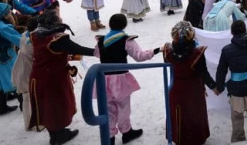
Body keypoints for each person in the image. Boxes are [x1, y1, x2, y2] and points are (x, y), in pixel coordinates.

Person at [29, 10, 95, 144]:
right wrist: (97, 51)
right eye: (58, 17)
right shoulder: (56, 39)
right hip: (53, 78)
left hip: (39, 76)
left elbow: (48, 53)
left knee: (47, 106)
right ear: (53, 23)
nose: (61, 18)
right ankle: (57, 136)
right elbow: (77, 48)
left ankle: (56, 133)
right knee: (56, 105)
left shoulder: (37, 33)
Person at [94, 14, 160, 145]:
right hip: (120, 79)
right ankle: (126, 132)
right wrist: (156, 50)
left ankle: (110, 137)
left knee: (109, 109)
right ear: (124, 25)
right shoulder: (126, 40)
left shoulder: (101, 41)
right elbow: (139, 56)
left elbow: (97, 54)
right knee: (123, 107)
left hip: (104, 79)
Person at [164, 21, 217, 145]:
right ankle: (195, 139)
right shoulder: (196, 54)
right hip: (193, 89)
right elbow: (203, 73)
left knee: (179, 114)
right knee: (193, 113)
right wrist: (214, 86)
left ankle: (179, 138)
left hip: (175, 88)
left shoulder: (168, 52)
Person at [0, 0, 21, 116]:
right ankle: (25, 106)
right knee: (15, 78)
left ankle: (1, 107)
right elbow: (19, 40)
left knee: (0, 78)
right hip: (5, 56)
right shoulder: (2, 27)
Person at [11, 17, 39, 130]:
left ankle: (28, 123)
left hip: (21, 68)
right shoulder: (32, 41)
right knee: (32, 97)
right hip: (28, 70)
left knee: (26, 97)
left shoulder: (24, 35)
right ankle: (36, 123)